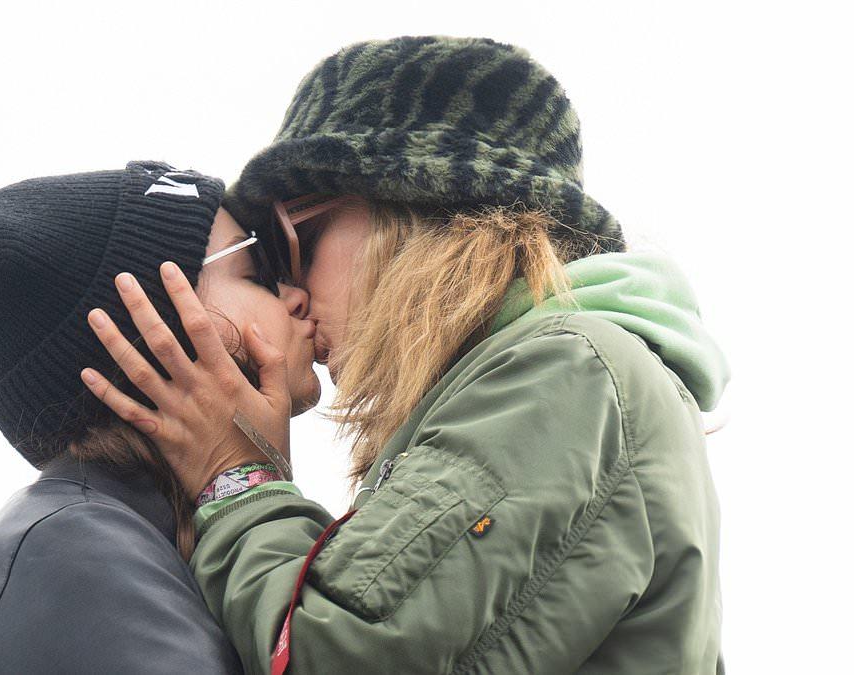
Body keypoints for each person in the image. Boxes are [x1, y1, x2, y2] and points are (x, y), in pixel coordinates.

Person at [80, 38, 730, 673]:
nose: (290, 297)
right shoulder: (549, 378)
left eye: (294, 241)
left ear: (417, 211)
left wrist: (234, 474)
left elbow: (331, 650)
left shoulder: (565, 373)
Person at [0, 161, 319, 674]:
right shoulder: (74, 549)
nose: (295, 294)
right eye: (257, 269)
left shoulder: (146, 541)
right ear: (154, 333)